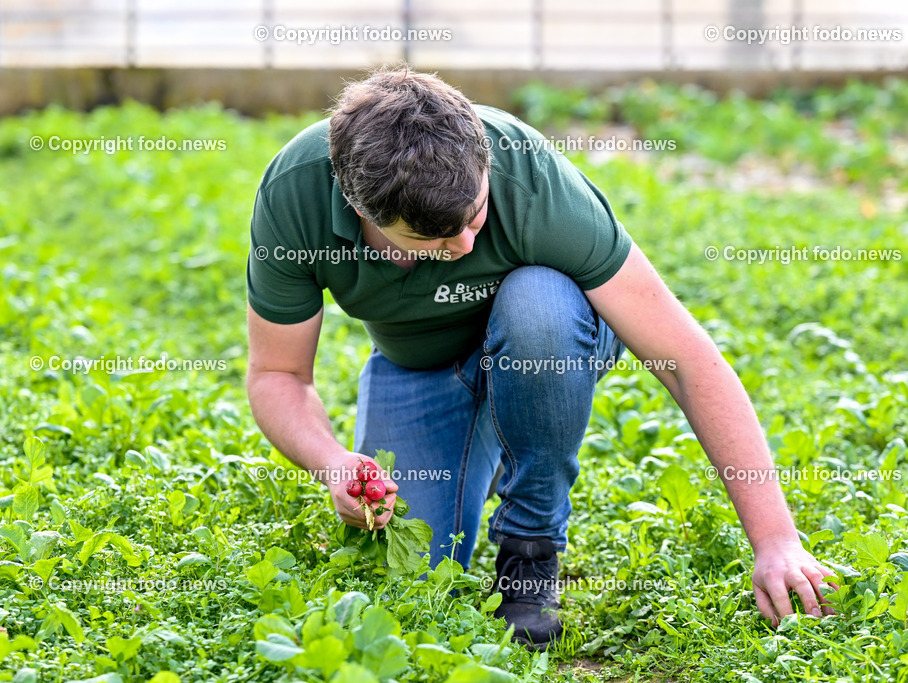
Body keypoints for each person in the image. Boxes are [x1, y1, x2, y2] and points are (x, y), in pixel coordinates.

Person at [245, 65, 834, 650]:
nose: (469, 246)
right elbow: (279, 374)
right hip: (420, 365)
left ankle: (530, 542)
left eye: (474, 215)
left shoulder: (529, 176)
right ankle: (494, 425)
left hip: (546, 339)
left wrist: (776, 540)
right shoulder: (296, 197)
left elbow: (685, 358)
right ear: (363, 212)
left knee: (537, 306)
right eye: (434, 241)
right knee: (404, 576)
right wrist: (331, 463)